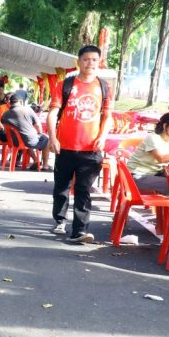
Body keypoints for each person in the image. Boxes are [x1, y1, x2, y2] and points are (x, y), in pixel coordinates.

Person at [47, 46, 112, 244]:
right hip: (65, 147)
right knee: (62, 187)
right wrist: (52, 138)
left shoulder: (104, 86)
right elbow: (53, 113)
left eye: (94, 60)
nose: (90, 63)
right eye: (86, 59)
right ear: (79, 62)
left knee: (83, 190)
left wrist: (103, 137)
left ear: (99, 62)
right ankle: (60, 220)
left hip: (91, 150)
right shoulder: (66, 85)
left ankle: (79, 231)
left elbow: (107, 116)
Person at [125, 111, 169, 195]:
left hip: (156, 174)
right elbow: (161, 158)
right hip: (137, 176)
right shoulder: (153, 138)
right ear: (165, 125)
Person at [1, 94, 51, 169]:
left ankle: (36, 160)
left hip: (14, 142)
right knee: (46, 139)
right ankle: (45, 165)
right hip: (28, 141)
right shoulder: (28, 110)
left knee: (25, 137)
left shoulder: (5, 114)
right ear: (21, 102)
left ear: (10, 102)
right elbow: (38, 125)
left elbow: (4, 129)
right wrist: (40, 133)